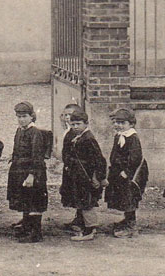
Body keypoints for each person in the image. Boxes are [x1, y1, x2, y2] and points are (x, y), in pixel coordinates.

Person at [60, 109, 107, 242]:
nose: (75, 127)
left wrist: (98, 177)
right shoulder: (77, 136)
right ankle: (81, 223)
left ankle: (90, 229)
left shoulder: (89, 139)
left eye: (78, 124)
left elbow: (99, 160)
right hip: (79, 176)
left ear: (86, 124)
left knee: (87, 202)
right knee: (81, 199)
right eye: (73, 124)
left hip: (87, 176)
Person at [6, 101, 49, 243]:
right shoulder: (20, 130)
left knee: (34, 201)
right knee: (25, 199)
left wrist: (32, 175)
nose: (21, 119)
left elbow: (37, 156)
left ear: (32, 117)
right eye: (18, 116)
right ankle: (26, 226)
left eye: (24, 116)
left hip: (33, 171)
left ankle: (36, 233)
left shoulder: (35, 133)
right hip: (19, 171)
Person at [104, 107, 148, 239]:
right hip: (118, 172)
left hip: (129, 174)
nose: (118, 125)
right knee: (121, 197)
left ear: (131, 124)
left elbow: (135, 158)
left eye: (122, 123)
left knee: (129, 197)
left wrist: (127, 171)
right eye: (117, 122)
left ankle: (131, 225)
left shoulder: (132, 138)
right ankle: (126, 219)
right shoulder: (119, 135)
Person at [58, 102, 85, 233]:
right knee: (73, 193)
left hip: (77, 168)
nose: (67, 118)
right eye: (65, 115)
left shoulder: (78, 132)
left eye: (71, 115)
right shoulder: (69, 130)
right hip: (70, 167)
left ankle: (82, 221)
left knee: (80, 194)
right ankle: (78, 218)